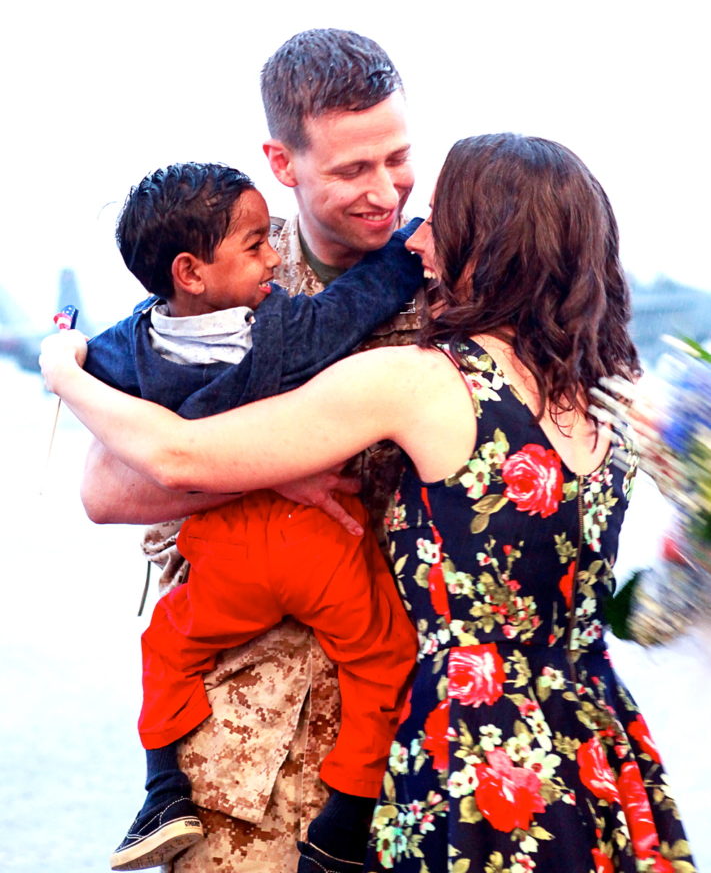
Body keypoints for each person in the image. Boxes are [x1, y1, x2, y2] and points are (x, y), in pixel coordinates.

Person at [42, 133, 698, 873]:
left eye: (441, 214)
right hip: (591, 741)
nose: (420, 230)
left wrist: (64, 374)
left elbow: (176, 455)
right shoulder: (613, 397)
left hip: (474, 755)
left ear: (484, 242)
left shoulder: (421, 381)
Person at [79, 29, 423, 871]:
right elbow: (109, 491)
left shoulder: (456, 275)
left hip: (406, 749)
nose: (384, 190)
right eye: (351, 170)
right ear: (283, 160)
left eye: (398, 158)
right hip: (238, 753)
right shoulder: (218, 280)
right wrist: (279, 469)